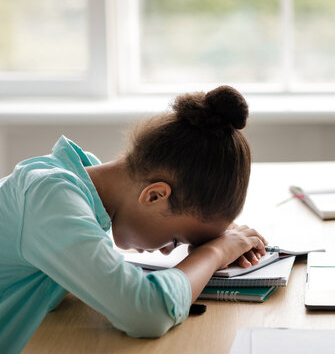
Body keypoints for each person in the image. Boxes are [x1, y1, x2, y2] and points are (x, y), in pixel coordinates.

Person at [0, 86, 268, 353]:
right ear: (154, 196)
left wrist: (218, 239)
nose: (165, 252)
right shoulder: (50, 199)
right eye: (175, 240)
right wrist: (215, 252)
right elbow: (147, 314)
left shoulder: (86, 188)